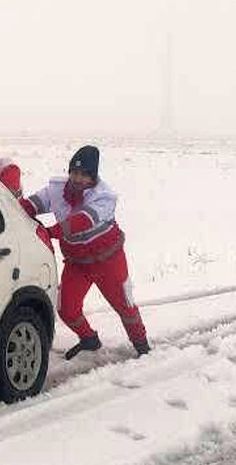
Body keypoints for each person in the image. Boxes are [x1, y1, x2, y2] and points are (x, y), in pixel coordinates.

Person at [21, 145, 151, 359]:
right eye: (75, 172)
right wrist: (16, 212)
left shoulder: (105, 197)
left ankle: (142, 346)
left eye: (85, 174)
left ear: (93, 176)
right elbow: (32, 204)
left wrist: (52, 231)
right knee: (66, 309)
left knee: (125, 308)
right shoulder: (56, 189)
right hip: (77, 264)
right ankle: (89, 339)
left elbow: (83, 220)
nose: (78, 178)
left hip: (108, 261)